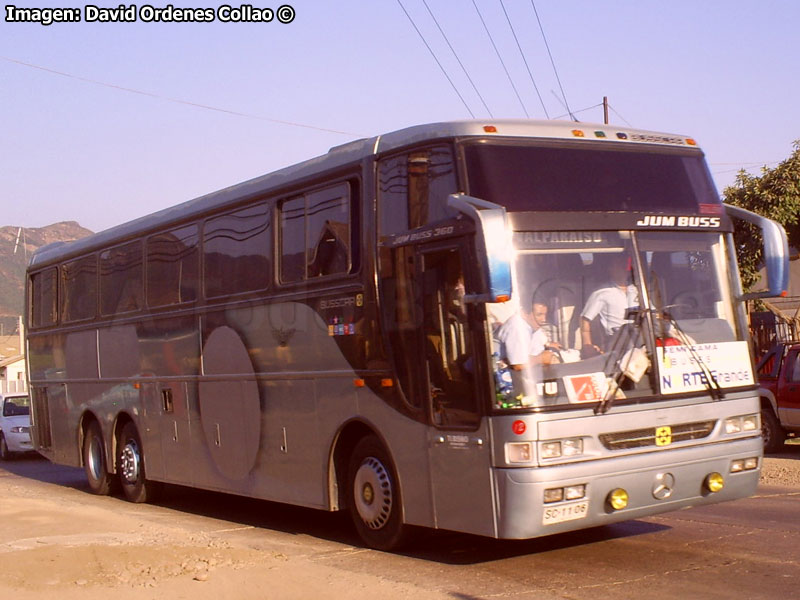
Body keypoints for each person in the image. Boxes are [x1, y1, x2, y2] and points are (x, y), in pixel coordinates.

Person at [580, 253, 639, 356]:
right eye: (618, 265)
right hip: (617, 339)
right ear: (610, 269)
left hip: (639, 335)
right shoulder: (602, 291)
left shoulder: (638, 290)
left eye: (625, 265)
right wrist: (587, 345)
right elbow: (584, 319)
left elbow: (653, 313)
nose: (623, 268)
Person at [496, 299, 561, 369]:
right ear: (523, 313)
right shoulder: (516, 326)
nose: (544, 319)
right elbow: (518, 365)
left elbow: (538, 348)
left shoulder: (533, 324)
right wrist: (539, 359)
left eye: (545, 315)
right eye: (539, 315)